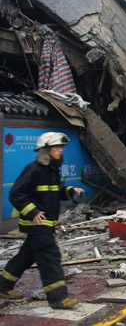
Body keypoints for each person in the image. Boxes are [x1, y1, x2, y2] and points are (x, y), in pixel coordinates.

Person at [0, 132, 83, 308]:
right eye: (56, 147)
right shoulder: (34, 169)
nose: (60, 150)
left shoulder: (51, 170)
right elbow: (16, 194)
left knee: (26, 255)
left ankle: (3, 285)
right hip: (38, 224)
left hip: (45, 223)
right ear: (45, 150)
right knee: (50, 257)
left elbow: (55, 193)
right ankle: (58, 298)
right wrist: (33, 211)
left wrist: (70, 191)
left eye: (61, 147)